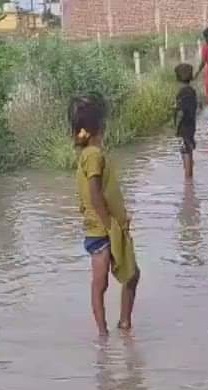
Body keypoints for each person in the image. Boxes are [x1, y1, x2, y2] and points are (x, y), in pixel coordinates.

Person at [71, 94, 140, 336]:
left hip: (97, 229)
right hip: (105, 229)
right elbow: (94, 191)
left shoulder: (88, 154)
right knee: (129, 275)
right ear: (98, 127)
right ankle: (119, 325)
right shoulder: (94, 154)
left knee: (102, 282)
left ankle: (105, 333)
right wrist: (110, 223)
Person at [173, 62, 198, 179]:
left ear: (177, 77)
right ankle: (190, 174)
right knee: (189, 148)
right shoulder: (192, 91)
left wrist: (176, 126)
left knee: (185, 151)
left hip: (183, 126)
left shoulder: (181, 93)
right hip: (191, 124)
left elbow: (180, 112)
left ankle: (188, 178)